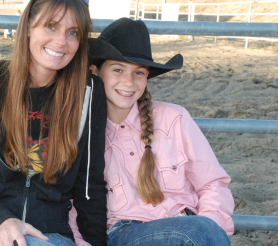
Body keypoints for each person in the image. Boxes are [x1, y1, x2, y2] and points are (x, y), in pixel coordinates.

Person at [0, 0, 108, 246]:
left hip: (52, 235)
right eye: (51, 26)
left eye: (73, 32)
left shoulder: (88, 93)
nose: (61, 41)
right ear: (27, 29)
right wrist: (0, 220)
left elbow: (90, 186)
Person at [69, 17, 235, 246]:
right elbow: (74, 204)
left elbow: (212, 184)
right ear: (95, 71)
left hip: (189, 225)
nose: (129, 82)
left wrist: (209, 223)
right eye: (118, 70)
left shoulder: (174, 119)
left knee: (195, 231)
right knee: (191, 234)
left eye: (139, 73)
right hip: (126, 233)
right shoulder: (83, 132)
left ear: (147, 76)